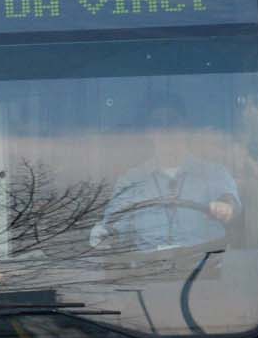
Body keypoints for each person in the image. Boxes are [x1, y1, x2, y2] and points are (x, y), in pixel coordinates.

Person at [90, 96, 240, 251]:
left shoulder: (214, 173)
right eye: (158, 124)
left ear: (186, 128)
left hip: (206, 266)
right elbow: (115, 223)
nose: (166, 130)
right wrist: (104, 233)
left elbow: (230, 202)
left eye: (173, 122)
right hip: (151, 270)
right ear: (149, 132)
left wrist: (225, 207)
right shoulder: (131, 180)